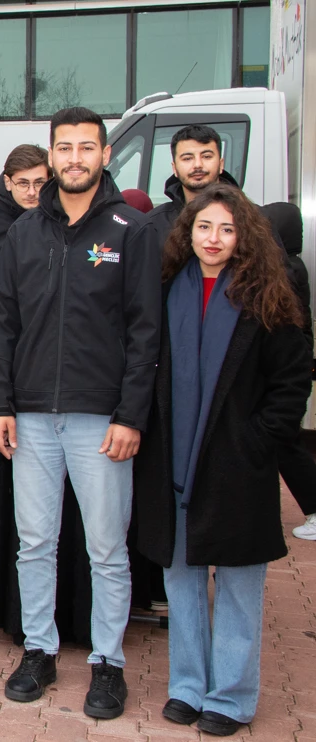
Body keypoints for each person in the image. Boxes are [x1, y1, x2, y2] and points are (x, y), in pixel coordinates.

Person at [0, 107, 160, 719]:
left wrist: (131, 415)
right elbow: (1, 325)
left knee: (107, 548)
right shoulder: (25, 233)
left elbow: (146, 331)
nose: (75, 158)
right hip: (31, 416)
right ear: (52, 156)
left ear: (105, 155)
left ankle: (108, 662)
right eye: (65, 147)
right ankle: (39, 649)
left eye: (87, 147)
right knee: (34, 543)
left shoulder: (131, 230)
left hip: (101, 420)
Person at [134, 185, 309, 737]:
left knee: (237, 585)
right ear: (187, 232)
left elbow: (291, 381)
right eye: (204, 227)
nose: (213, 239)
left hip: (236, 464)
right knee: (182, 580)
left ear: (244, 237)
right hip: (174, 461)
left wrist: (259, 441)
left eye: (227, 229)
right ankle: (188, 686)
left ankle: (231, 697)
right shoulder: (167, 288)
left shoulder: (268, 295)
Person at [260, 202, 316, 537]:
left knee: (286, 443)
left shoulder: (285, 270)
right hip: (299, 361)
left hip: (289, 367)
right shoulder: (295, 265)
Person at [145, 125, 239, 245]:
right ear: (174, 168)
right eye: (187, 158)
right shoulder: (154, 224)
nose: (197, 165)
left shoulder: (251, 218)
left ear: (221, 164)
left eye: (206, 156)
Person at [0, 144, 49, 251]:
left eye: (39, 183)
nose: (31, 192)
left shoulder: (62, 220)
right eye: (23, 183)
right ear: (7, 182)